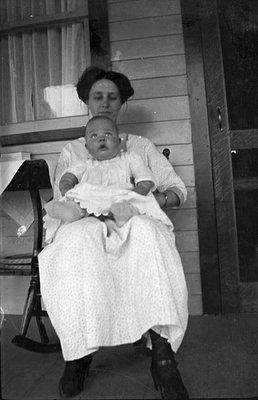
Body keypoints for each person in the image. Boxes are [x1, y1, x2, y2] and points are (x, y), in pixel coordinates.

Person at [38, 66, 189, 400]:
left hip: (129, 214)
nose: (105, 103)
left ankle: (163, 357)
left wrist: (149, 199)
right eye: (97, 96)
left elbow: (176, 188)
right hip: (86, 218)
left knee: (147, 234)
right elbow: (65, 194)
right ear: (87, 102)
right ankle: (79, 353)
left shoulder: (138, 147)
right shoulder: (74, 150)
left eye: (112, 97)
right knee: (78, 240)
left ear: (121, 103)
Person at [45, 114, 161, 231]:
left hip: (120, 200)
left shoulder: (129, 159)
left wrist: (133, 197)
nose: (101, 139)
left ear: (119, 141)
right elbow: (67, 178)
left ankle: (122, 214)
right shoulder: (84, 164)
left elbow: (145, 180)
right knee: (77, 201)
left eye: (108, 134)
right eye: (94, 136)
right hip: (89, 201)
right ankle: (69, 210)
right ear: (87, 147)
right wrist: (69, 193)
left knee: (133, 211)